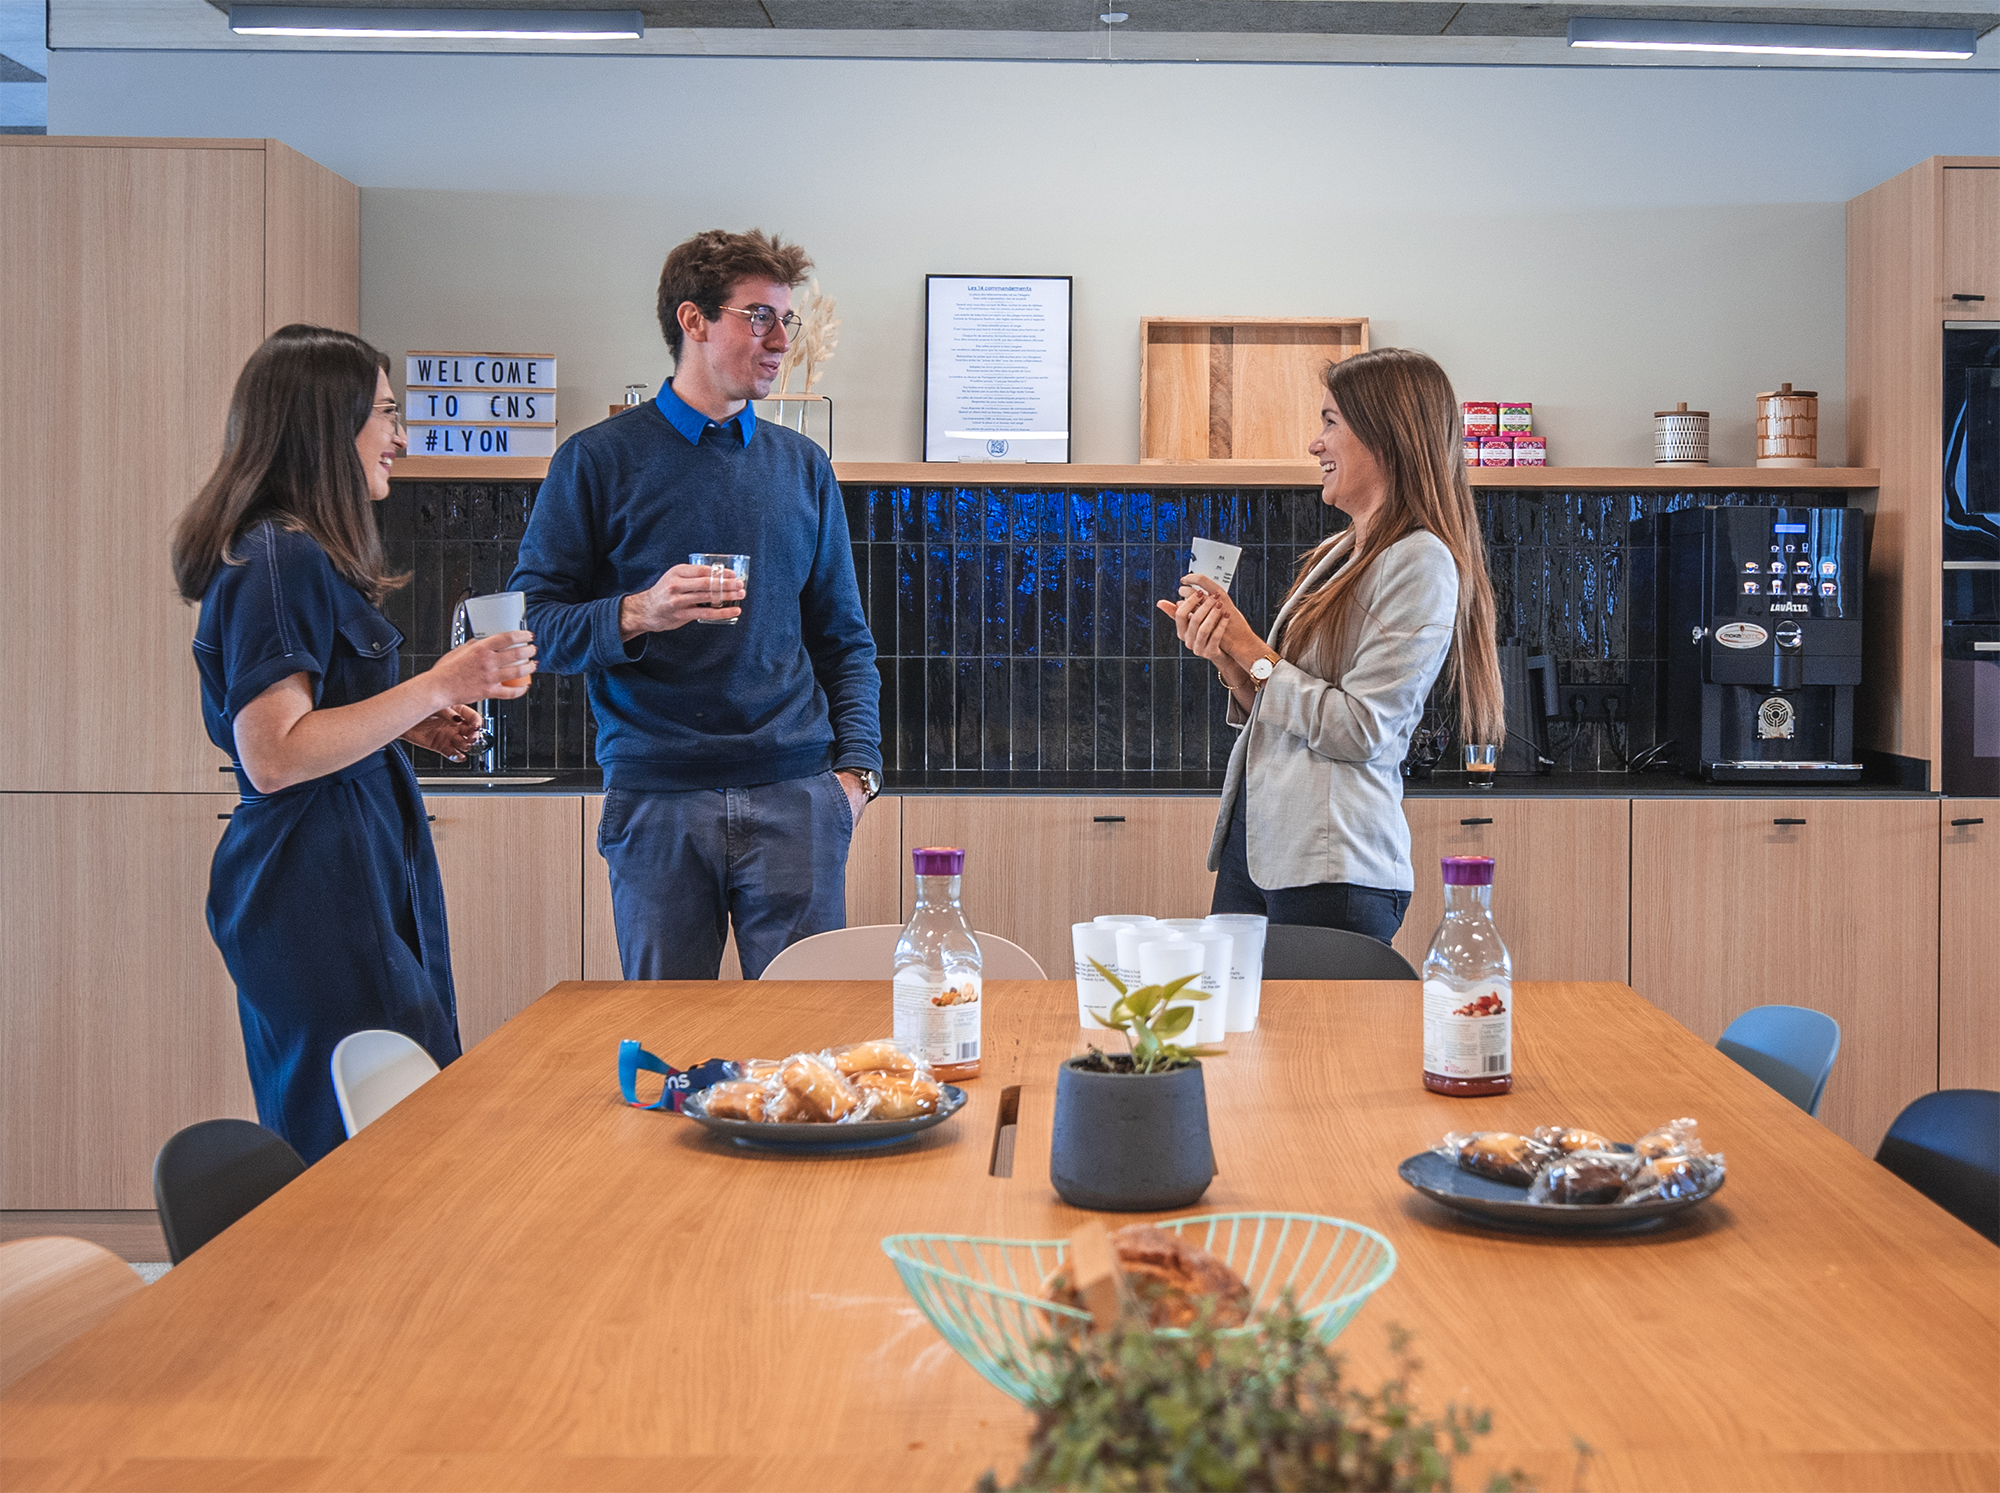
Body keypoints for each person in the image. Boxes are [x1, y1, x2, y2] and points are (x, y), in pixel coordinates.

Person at [171, 324, 537, 1163]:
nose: (401, 436)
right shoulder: (280, 556)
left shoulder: (290, 553)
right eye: (384, 413)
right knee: (372, 1130)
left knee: (384, 1107)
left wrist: (403, 725)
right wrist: (442, 682)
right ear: (323, 427)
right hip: (317, 882)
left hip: (336, 867)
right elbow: (273, 754)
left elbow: (305, 719)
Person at [509, 229, 882, 980]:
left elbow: (844, 638)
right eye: (758, 317)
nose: (780, 340)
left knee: (806, 1041)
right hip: (655, 802)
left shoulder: (802, 467)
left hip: (797, 799)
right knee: (670, 1051)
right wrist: (638, 612)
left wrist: (856, 776)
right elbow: (531, 626)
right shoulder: (596, 460)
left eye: (787, 320)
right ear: (693, 320)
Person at [1158, 347, 1503, 943]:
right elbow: (1280, 697)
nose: (1315, 444)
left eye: (1330, 423)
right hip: (1262, 852)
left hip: (1331, 870)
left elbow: (1362, 728)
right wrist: (1229, 661)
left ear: (1388, 435)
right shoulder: (1342, 550)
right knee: (1244, 1036)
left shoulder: (1420, 561)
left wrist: (1249, 648)